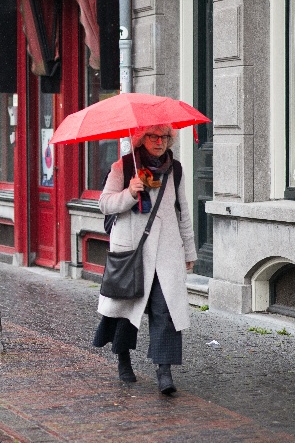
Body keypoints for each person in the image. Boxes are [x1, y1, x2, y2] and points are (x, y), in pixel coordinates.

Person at [93, 124, 197, 395]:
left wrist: (189, 252)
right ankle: (123, 359)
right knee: (127, 312)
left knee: (166, 311)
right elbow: (104, 204)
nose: (160, 142)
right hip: (132, 252)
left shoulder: (176, 169)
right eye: (153, 136)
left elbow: (183, 212)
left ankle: (164, 372)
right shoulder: (123, 167)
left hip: (166, 251)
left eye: (164, 137)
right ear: (141, 139)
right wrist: (129, 192)